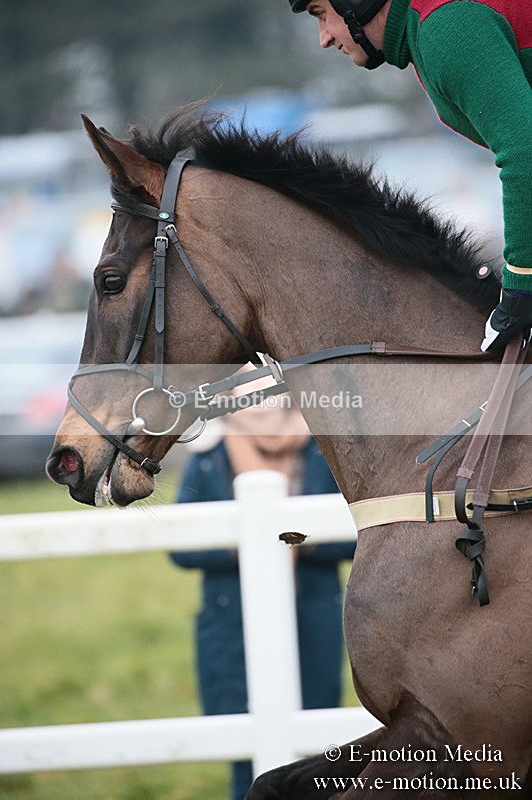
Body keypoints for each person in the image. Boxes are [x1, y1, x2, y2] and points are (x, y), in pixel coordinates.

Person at [289, 0, 532, 352]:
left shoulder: (443, 29)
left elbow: (526, 151)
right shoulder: (430, 28)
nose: (324, 38)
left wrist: (521, 287)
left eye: (321, 14)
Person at [169, 398, 355, 800]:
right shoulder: (207, 456)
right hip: (231, 630)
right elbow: (180, 545)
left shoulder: (321, 449)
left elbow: (354, 533)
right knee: (245, 751)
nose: (262, 402)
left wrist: (292, 540)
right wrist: (245, 545)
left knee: (316, 752)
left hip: (311, 622)